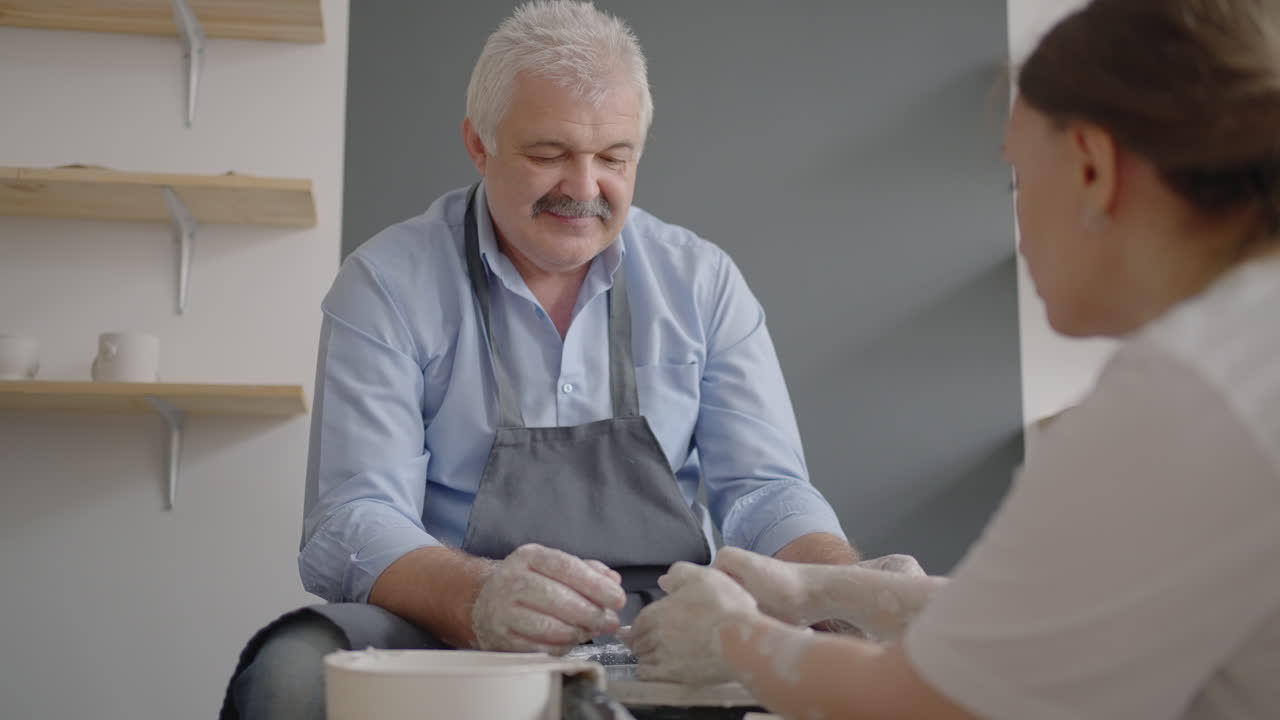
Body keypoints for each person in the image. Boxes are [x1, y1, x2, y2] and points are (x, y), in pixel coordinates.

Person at [219, 2, 894, 718]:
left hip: (657, 634)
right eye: (549, 155)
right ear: (478, 145)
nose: (583, 187)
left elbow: (764, 492)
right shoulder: (388, 283)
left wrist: (842, 592)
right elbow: (351, 516)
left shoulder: (701, 282)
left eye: (613, 158)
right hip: (447, 633)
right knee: (291, 673)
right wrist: (476, 598)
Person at [625, 0, 1280, 718]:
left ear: (1092, 168)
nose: (1020, 226)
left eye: (1018, 182)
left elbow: (926, 704)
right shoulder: (1243, 343)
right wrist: (825, 590)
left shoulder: (1181, 394)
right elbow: (1044, 626)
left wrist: (732, 638)